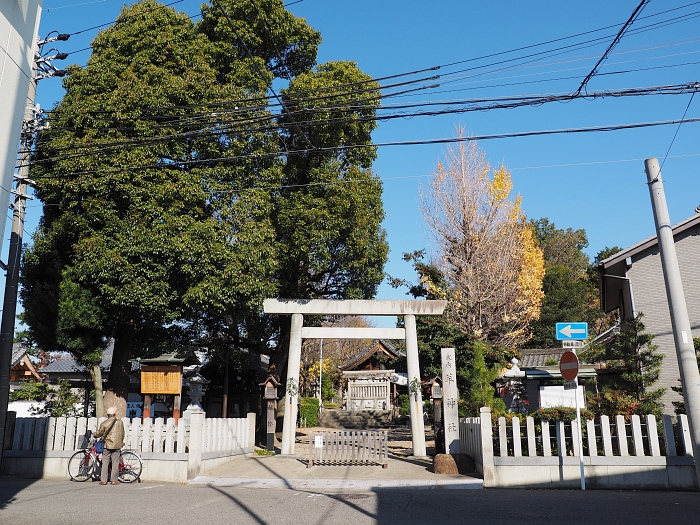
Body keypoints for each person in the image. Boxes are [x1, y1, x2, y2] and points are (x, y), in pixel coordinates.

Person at [94, 406, 125, 485]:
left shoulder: (104, 423)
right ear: (115, 414)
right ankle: (114, 480)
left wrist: (94, 435)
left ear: (108, 415)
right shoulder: (120, 422)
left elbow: (99, 433)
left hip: (107, 445)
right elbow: (122, 433)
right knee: (115, 462)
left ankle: (103, 480)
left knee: (105, 463)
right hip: (117, 445)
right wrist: (121, 441)